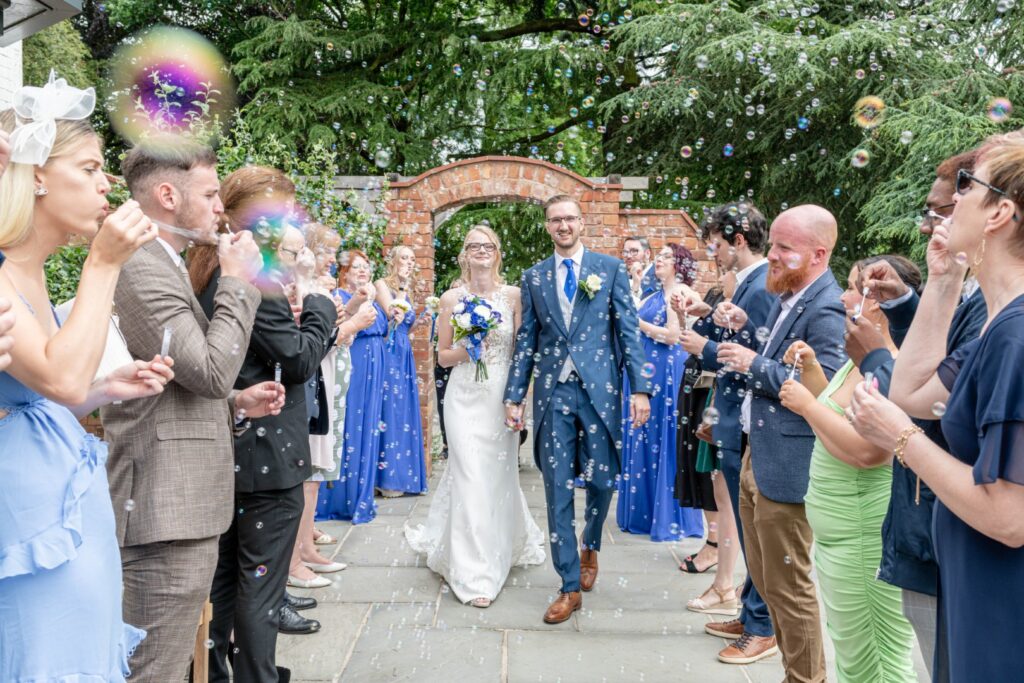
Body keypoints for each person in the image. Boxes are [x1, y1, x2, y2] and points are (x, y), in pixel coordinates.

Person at [0, 79, 169, 681]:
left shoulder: (32, 270)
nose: (107, 184)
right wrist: (103, 262)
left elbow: (45, 389)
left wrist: (107, 388)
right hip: (28, 512)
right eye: (91, 167)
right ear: (37, 176)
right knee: (47, 656)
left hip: (63, 492)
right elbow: (64, 381)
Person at [100, 140, 288, 681]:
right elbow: (209, 370)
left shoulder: (167, 263)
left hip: (179, 502)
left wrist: (235, 403)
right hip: (163, 507)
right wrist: (237, 282)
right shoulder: (142, 267)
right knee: (152, 668)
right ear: (166, 196)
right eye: (209, 194)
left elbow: (177, 379)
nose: (219, 209)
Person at [850, 132, 1024, 682]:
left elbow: (1009, 516)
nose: (951, 204)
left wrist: (901, 439)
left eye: (967, 187)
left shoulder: (1016, 337)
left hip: (1005, 598)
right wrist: (945, 280)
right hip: (972, 580)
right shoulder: (997, 327)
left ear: (1000, 213)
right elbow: (912, 390)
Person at [196, 166, 338, 682]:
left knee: (227, 580)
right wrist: (322, 306)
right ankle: (257, 675)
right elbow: (298, 360)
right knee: (260, 586)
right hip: (266, 455)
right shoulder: (254, 277)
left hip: (232, 448)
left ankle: (215, 672)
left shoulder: (205, 266)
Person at [713, 205, 847, 680]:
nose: (771, 254)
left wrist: (753, 363)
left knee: (789, 590)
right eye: (772, 244)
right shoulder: (792, 296)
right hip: (760, 455)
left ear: (818, 254)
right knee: (769, 585)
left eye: (783, 248)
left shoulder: (827, 305)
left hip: (790, 463)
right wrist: (742, 330)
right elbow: (776, 357)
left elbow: (823, 387)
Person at [504, 194, 651, 624]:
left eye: (569, 218)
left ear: (581, 223)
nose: (563, 225)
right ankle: (568, 584)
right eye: (555, 220)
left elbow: (627, 332)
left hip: (600, 392)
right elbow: (526, 341)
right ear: (548, 226)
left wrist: (639, 389)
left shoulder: (609, 269)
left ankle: (591, 543)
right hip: (553, 394)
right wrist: (515, 396)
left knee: (604, 479)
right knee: (556, 489)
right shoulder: (533, 277)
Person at [778, 255, 921, 682]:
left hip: (865, 537)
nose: (843, 296)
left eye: (854, 288)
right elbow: (839, 414)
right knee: (853, 653)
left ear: (876, 301)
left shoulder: (890, 363)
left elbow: (867, 452)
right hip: (840, 534)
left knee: (876, 657)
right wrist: (813, 371)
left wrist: (805, 408)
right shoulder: (861, 356)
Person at [405, 225, 546, 607]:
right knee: (468, 474)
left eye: (488, 245)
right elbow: (443, 355)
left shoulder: (514, 295)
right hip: (463, 396)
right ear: (464, 255)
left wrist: (520, 399)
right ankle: (473, 573)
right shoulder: (452, 298)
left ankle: (501, 544)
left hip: (501, 395)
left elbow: (523, 352)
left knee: (498, 476)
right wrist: (470, 349)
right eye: (473, 246)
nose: (480, 251)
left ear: (498, 253)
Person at [676, 202, 777, 661]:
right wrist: (709, 315)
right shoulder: (748, 282)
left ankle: (761, 625)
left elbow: (752, 353)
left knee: (754, 524)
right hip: (734, 413)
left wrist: (705, 347)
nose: (711, 252)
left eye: (715, 242)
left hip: (748, 415)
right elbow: (744, 334)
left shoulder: (758, 284)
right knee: (747, 519)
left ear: (737, 240)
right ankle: (750, 610)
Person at [287, 224, 377, 589]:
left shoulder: (317, 286)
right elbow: (317, 340)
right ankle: (296, 557)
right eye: (326, 251)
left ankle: (305, 548)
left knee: (316, 472)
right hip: (313, 379)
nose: (331, 259)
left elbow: (331, 332)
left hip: (328, 377)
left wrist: (352, 308)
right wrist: (354, 321)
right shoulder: (300, 288)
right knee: (308, 472)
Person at [617, 243, 704, 541]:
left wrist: (634, 320)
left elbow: (672, 337)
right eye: (659, 256)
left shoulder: (680, 294)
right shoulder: (655, 295)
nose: (659, 261)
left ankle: (668, 515)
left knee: (665, 439)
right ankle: (646, 511)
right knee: (647, 437)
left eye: (667, 257)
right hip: (647, 372)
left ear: (680, 264)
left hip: (667, 375)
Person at [315, 250, 389, 524]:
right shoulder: (341, 299)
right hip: (353, 367)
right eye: (356, 267)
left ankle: (360, 496)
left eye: (366, 267)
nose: (362, 271)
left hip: (373, 369)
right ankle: (338, 500)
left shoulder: (373, 299)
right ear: (344, 272)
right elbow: (337, 331)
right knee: (348, 427)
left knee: (366, 428)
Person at [375, 244, 428, 497]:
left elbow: (406, 326)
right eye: (404, 258)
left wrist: (421, 321)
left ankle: (399, 474)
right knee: (389, 407)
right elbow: (393, 315)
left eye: (412, 258)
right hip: (388, 350)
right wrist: (404, 287)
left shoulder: (408, 290)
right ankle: (384, 479)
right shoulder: (382, 285)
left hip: (403, 350)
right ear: (393, 261)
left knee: (402, 407)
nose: (409, 262)